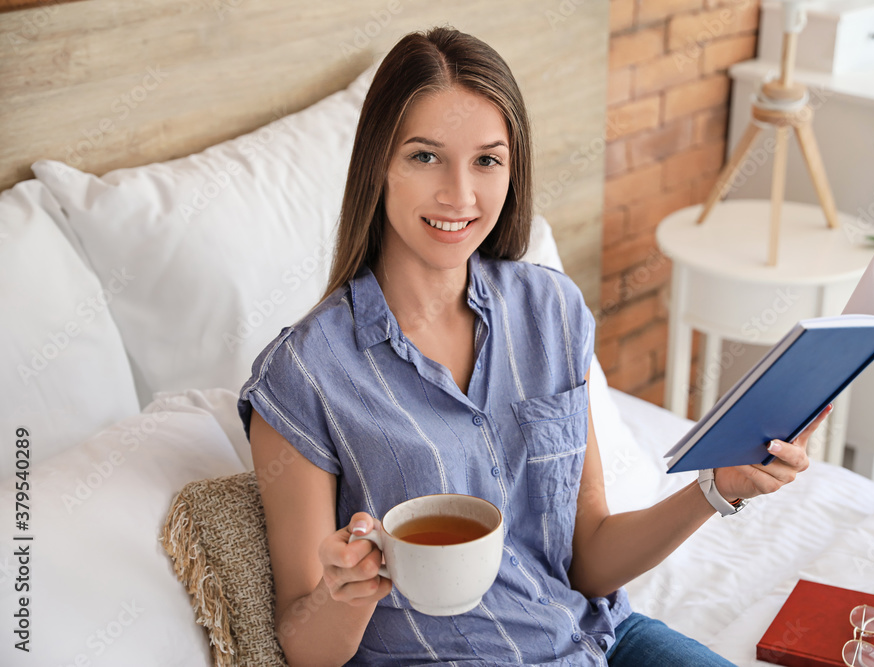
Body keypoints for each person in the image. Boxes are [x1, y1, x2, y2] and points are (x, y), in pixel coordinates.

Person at [238, 26, 827, 667]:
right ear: (379, 164)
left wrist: (718, 487)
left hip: (601, 640)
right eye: (425, 156)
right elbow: (301, 644)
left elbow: (589, 559)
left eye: (487, 160)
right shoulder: (306, 373)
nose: (459, 195)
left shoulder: (551, 312)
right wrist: (345, 594)